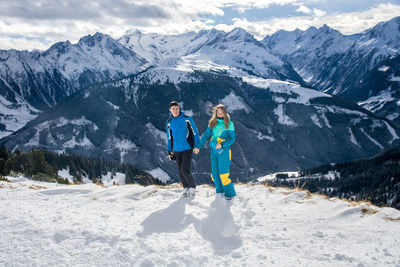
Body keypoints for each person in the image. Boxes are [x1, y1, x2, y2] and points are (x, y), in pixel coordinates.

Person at [193, 104, 236, 200]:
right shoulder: (212, 123)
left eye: (222, 112)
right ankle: (220, 192)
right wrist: (198, 147)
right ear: (215, 113)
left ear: (225, 113)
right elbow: (205, 136)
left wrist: (222, 145)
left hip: (224, 151)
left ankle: (230, 194)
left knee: (223, 174)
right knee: (215, 175)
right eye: (218, 112)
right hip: (213, 150)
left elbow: (232, 139)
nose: (220, 114)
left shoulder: (229, 124)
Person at [166, 101, 199, 197]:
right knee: (180, 171)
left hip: (187, 148)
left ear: (179, 108)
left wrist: (197, 146)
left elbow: (195, 132)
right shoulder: (169, 122)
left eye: (177, 108)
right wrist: (169, 151)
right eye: (173, 109)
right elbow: (169, 137)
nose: (175, 111)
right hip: (176, 149)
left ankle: (192, 187)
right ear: (170, 110)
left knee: (185, 169)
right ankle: (185, 187)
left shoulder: (187, 119)